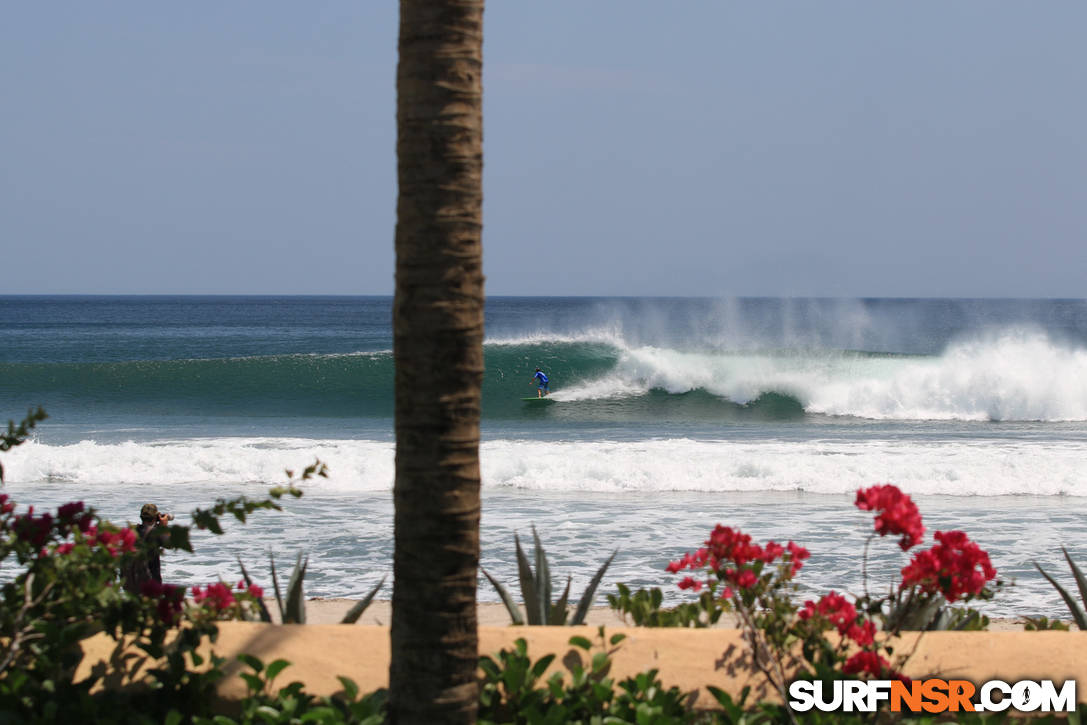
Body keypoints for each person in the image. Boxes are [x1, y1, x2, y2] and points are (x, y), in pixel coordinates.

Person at [123, 503, 172, 593]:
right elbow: (170, 544)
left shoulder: (132, 531)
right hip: (151, 584)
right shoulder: (155, 533)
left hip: (132, 583)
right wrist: (164, 527)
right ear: (155, 518)